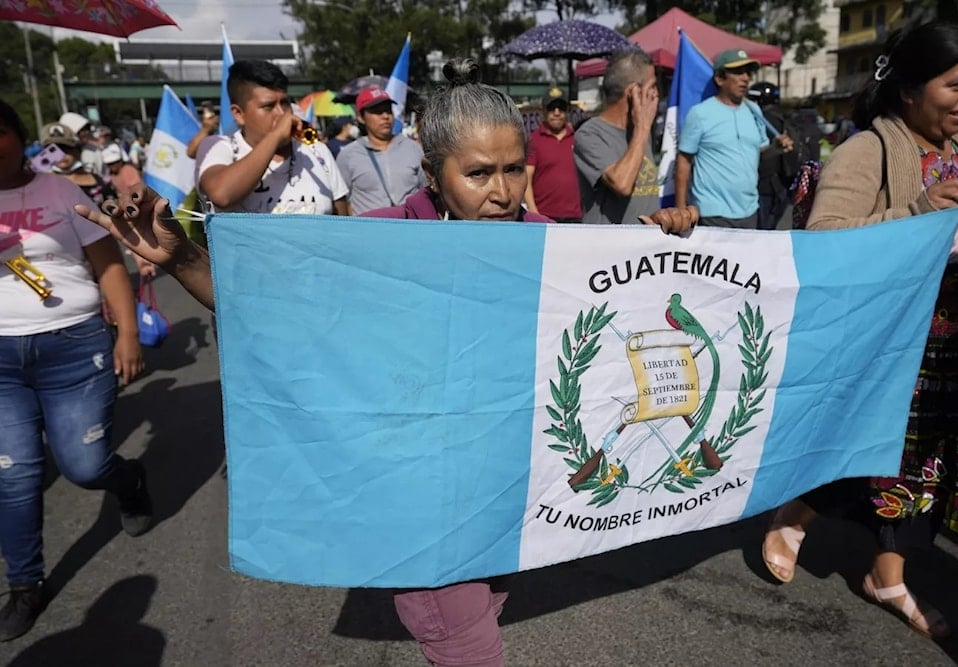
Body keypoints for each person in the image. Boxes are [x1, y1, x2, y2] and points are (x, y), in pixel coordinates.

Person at [77, 59, 697, 665]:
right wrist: (183, 258)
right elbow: (272, 308)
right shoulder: (378, 244)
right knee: (470, 647)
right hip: (418, 500)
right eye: (479, 174)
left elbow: (620, 307)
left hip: (505, 490)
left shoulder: (540, 237)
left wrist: (663, 241)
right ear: (433, 173)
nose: (503, 193)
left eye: (514, 170)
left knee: (487, 603)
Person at [760, 20, 958, 640]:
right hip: (890, 348)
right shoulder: (868, 150)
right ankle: (797, 511)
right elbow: (823, 240)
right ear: (910, 89)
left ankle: (887, 577)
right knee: (866, 455)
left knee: (927, 473)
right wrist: (914, 212)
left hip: (950, 346)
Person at [0, 100, 152, 642]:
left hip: (73, 345)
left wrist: (128, 333)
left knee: (84, 465)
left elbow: (109, 264)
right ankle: (24, 585)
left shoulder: (61, 191)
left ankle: (129, 480)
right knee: (13, 476)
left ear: (19, 138)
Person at [197, 59, 349, 215]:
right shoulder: (219, 147)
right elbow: (221, 195)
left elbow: (344, 224)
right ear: (239, 114)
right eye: (268, 106)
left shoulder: (317, 152)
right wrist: (275, 136)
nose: (282, 113)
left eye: (285, 103)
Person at [675, 50, 794, 229]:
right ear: (720, 79)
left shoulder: (754, 111)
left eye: (748, 72)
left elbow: (758, 154)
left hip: (750, 211)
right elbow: (683, 162)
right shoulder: (700, 114)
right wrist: (680, 209)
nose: (746, 78)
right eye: (738, 72)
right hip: (712, 214)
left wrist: (775, 148)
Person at [574, 49, 662, 225]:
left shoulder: (639, 130)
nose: (656, 94)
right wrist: (643, 129)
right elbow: (621, 184)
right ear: (633, 92)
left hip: (647, 250)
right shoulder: (589, 134)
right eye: (652, 86)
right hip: (610, 249)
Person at [336, 85, 425, 214]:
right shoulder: (348, 155)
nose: (385, 116)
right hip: (367, 231)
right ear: (361, 117)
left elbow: (427, 190)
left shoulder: (413, 149)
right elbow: (342, 200)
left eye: (388, 111)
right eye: (377, 111)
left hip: (408, 229)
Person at [525, 86, 582, 222]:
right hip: (545, 216)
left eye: (561, 108)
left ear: (567, 111)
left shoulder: (579, 139)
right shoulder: (534, 140)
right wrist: (534, 213)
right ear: (544, 111)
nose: (557, 113)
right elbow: (526, 179)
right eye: (552, 108)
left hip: (576, 217)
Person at [747, 82, 794, 230]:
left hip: (764, 187)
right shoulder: (785, 119)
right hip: (782, 186)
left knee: (758, 237)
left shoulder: (760, 121)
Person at [41, 122, 115, 206]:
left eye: (66, 148)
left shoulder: (98, 180)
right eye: (54, 150)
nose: (62, 154)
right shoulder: (40, 185)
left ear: (77, 150)